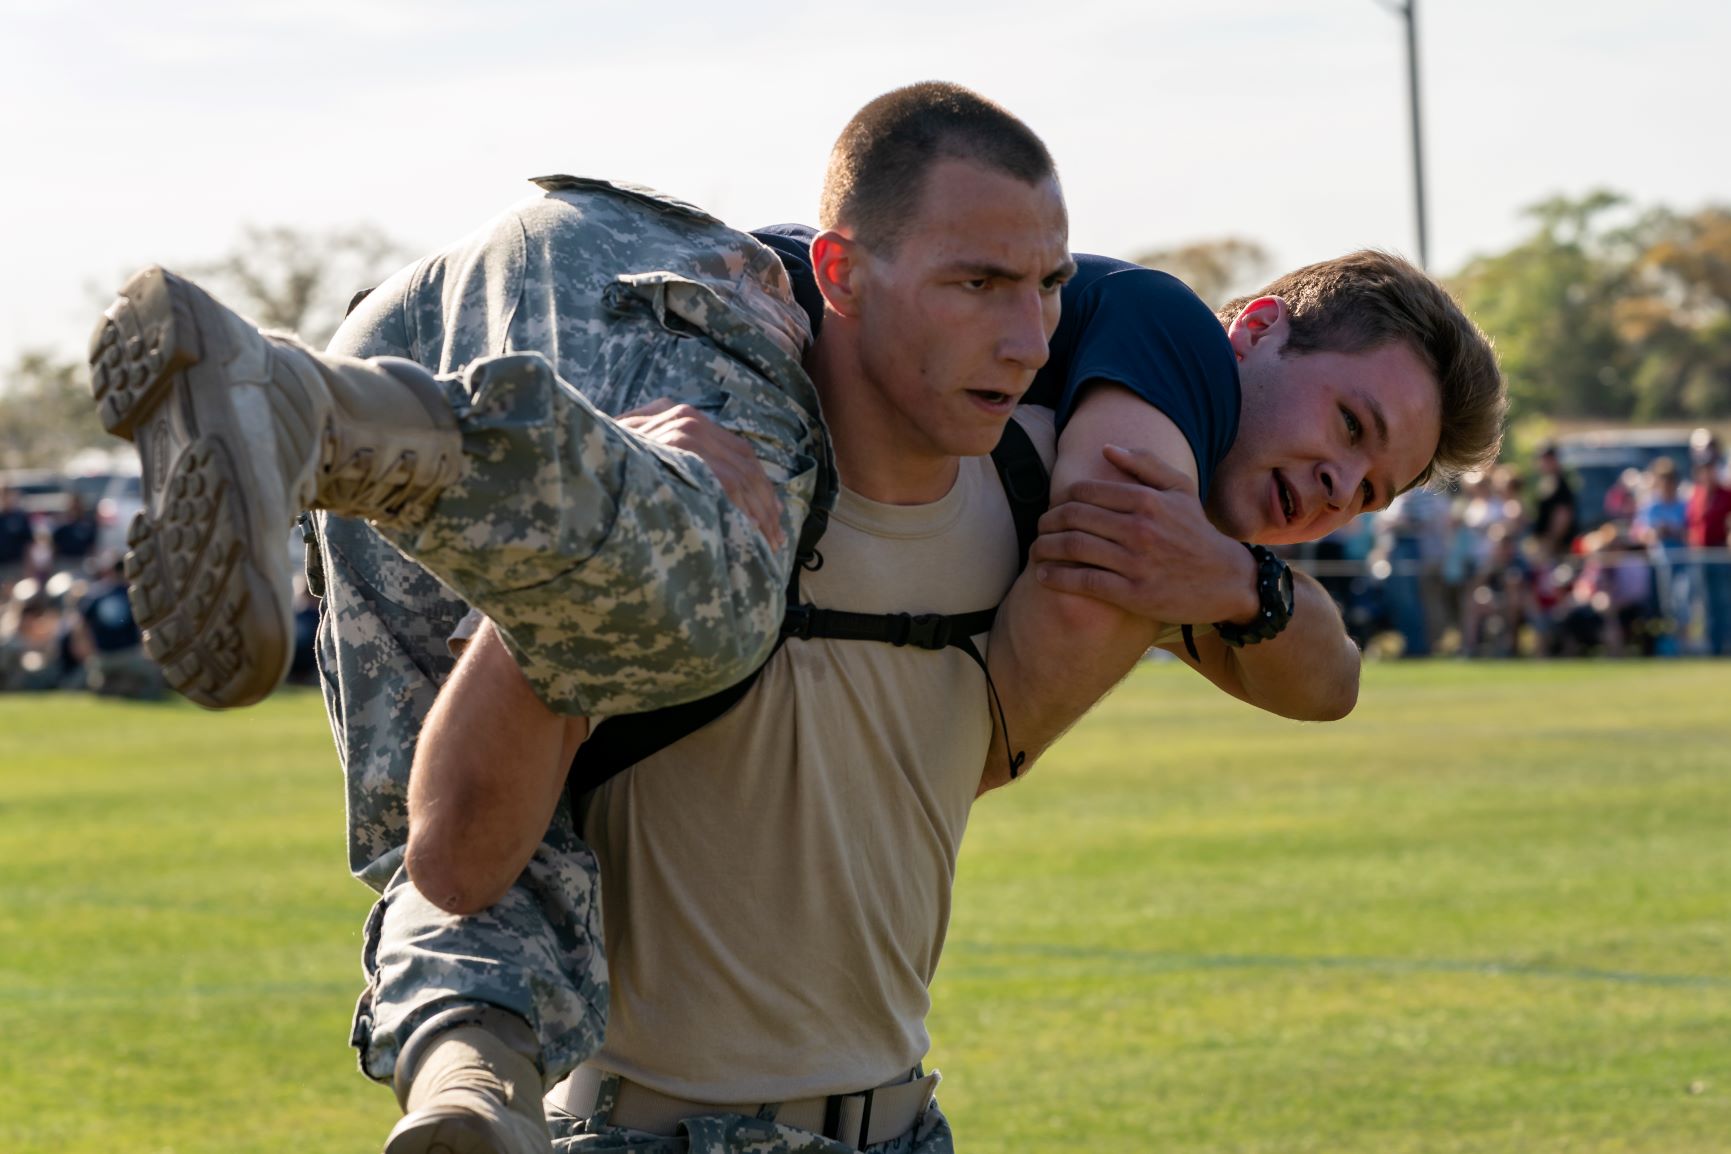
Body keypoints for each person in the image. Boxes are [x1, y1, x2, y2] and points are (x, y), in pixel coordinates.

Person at [89, 84, 1503, 1154]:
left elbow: (1322, 669)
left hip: (452, 324)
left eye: (1373, 491)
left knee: (453, 811)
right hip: (636, 290)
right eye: (1351, 425)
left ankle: (469, 1073)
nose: (1337, 486)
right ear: (1255, 328)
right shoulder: (1159, 367)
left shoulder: (1084, 434)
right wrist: (1048, 687)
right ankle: (312, 415)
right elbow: (1108, 568)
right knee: (700, 584)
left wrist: (1231, 586)